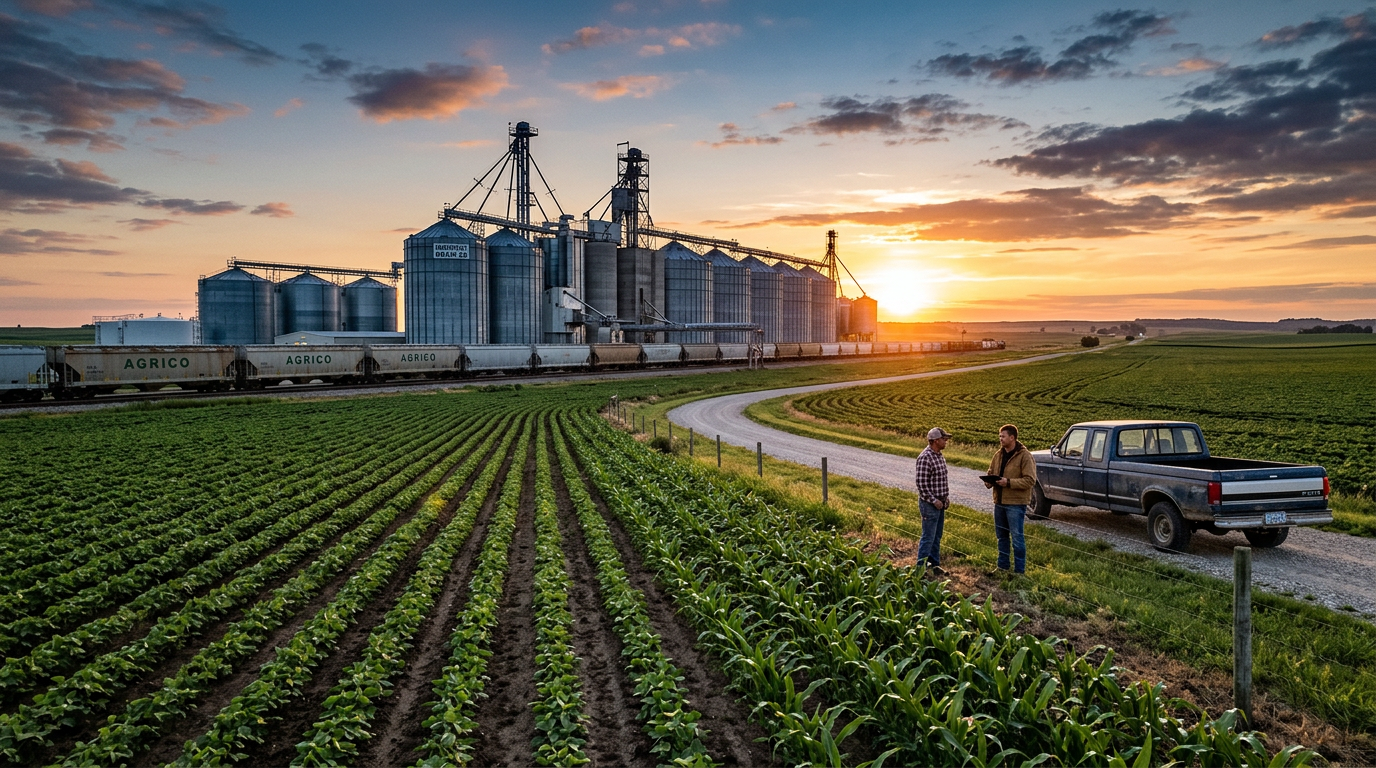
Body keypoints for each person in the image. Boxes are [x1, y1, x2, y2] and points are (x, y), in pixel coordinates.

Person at [983, 424, 1037, 574]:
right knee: (1001, 537)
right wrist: (989, 481)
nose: (1000, 439)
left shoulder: (1025, 456)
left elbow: (1030, 480)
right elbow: (991, 471)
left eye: (1003, 436)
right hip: (999, 502)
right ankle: (1002, 567)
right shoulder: (998, 455)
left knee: (1017, 538)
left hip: (1015, 503)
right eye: (1000, 436)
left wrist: (1009, 482)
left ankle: (1019, 572)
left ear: (1012, 438)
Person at [915, 426, 952, 575]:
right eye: (944, 439)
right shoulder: (925, 457)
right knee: (928, 536)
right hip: (930, 504)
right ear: (936, 440)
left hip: (940, 503)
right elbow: (921, 485)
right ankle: (921, 568)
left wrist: (945, 498)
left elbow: (941, 480)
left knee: (937, 536)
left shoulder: (939, 455)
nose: (946, 441)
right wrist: (934, 500)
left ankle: (934, 565)